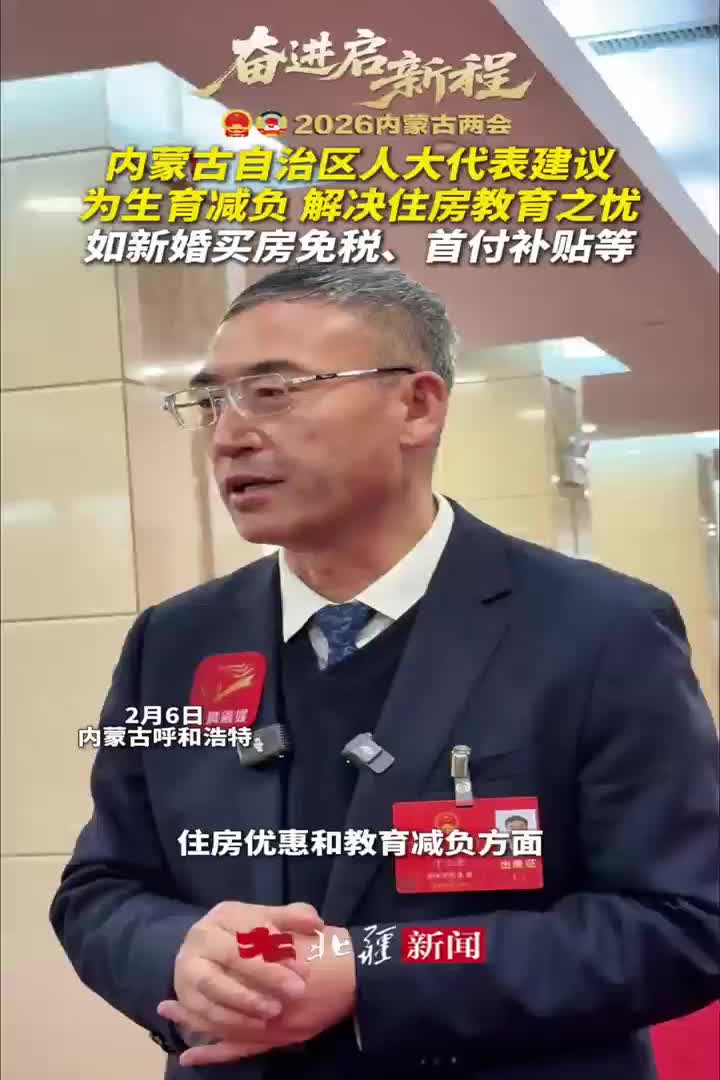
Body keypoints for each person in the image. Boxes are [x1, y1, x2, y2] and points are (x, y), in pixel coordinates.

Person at [50, 264, 720, 1080]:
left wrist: (372, 976)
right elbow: (102, 886)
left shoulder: (599, 630)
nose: (227, 437)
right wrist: (177, 953)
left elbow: (683, 918)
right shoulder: (176, 642)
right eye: (213, 402)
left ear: (417, 405)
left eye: (273, 393)